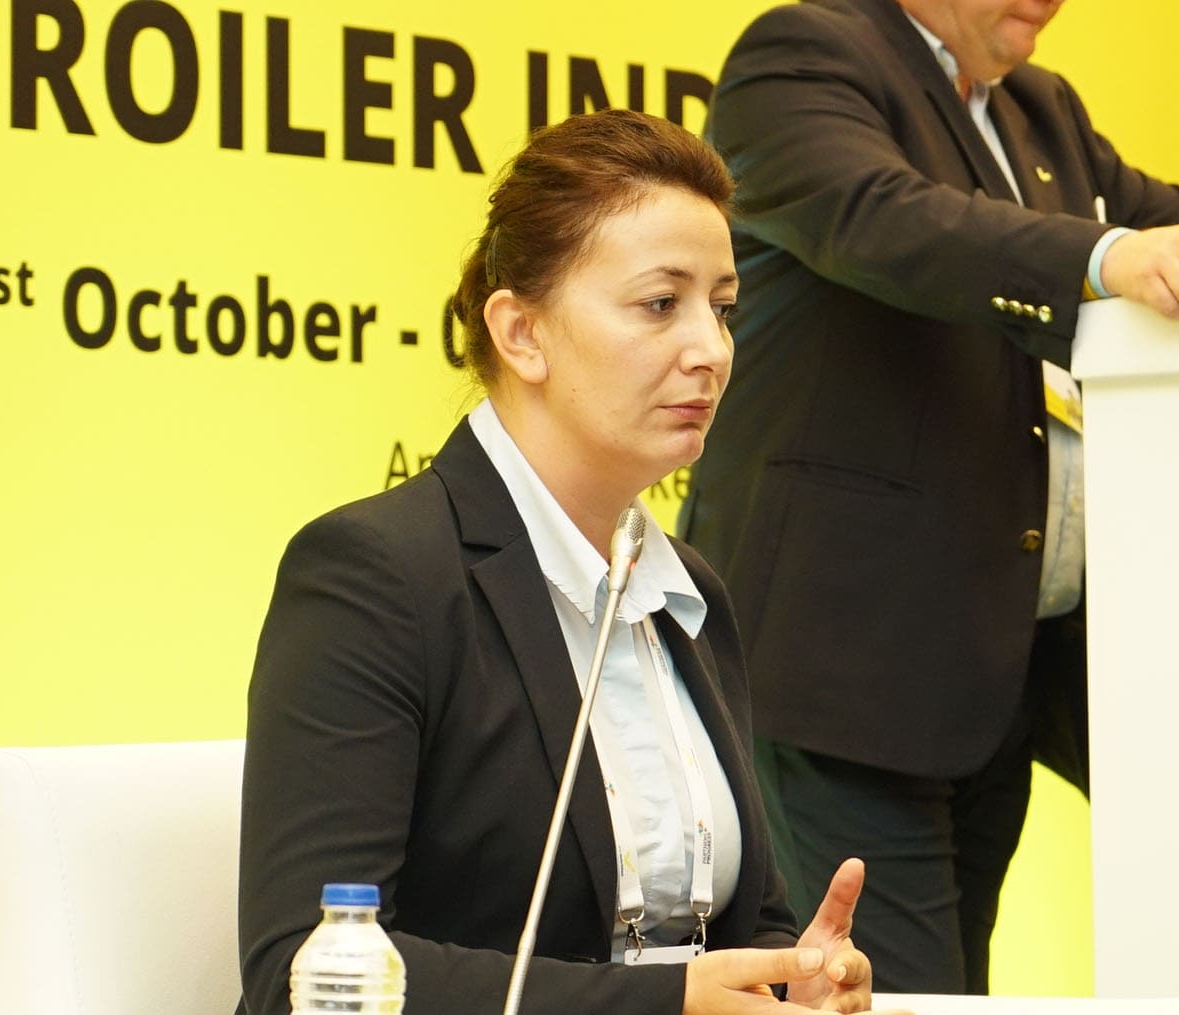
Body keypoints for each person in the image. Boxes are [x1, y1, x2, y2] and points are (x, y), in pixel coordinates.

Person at [675, 0, 1179, 995]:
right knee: (895, 991)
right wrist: (1102, 260)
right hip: (850, 656)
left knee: (958, 986)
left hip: (986, 650)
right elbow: (886, 217)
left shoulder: (1039, 110)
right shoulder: (805, 53)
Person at [236, 109, 898, 1015]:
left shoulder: (686, 593)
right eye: (661, 304)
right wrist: (668, 1006)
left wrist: (793, 977)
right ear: (522, 333)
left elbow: (736, 931)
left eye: (723, 308)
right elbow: (304, 976)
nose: (711, 350)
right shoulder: (374, 576)